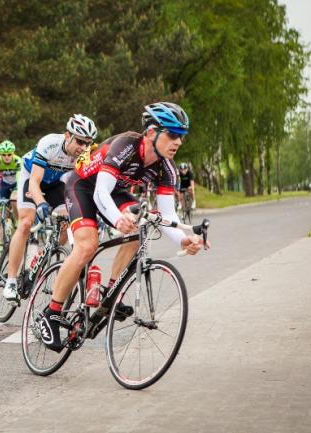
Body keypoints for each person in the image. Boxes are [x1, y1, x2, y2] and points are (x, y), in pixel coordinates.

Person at [39, 102, 209, 352]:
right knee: (87, 246)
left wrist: (183, 239)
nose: (178, 142)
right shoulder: (126, 145)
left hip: (114, 192)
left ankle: (111, 295)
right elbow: (100, 192)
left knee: (141, 227)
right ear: (151, 132)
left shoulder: (167, 168)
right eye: (173, 135)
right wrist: (119, 219)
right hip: (83, 186)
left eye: (181, 136)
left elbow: (167, 214)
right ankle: (51, 313)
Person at [2, 114, 98, 302]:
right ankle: (11, 281)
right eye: (79, 141)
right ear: (67, 135)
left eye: (87, 143)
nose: (83, 148)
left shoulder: (84, 156)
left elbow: (82, 186)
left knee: (66, 222)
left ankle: (41, 255)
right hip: (32, 177)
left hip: (55, 184)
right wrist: (41, 204)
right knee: (26, 223)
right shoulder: (50, 143)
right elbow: (34, 182)